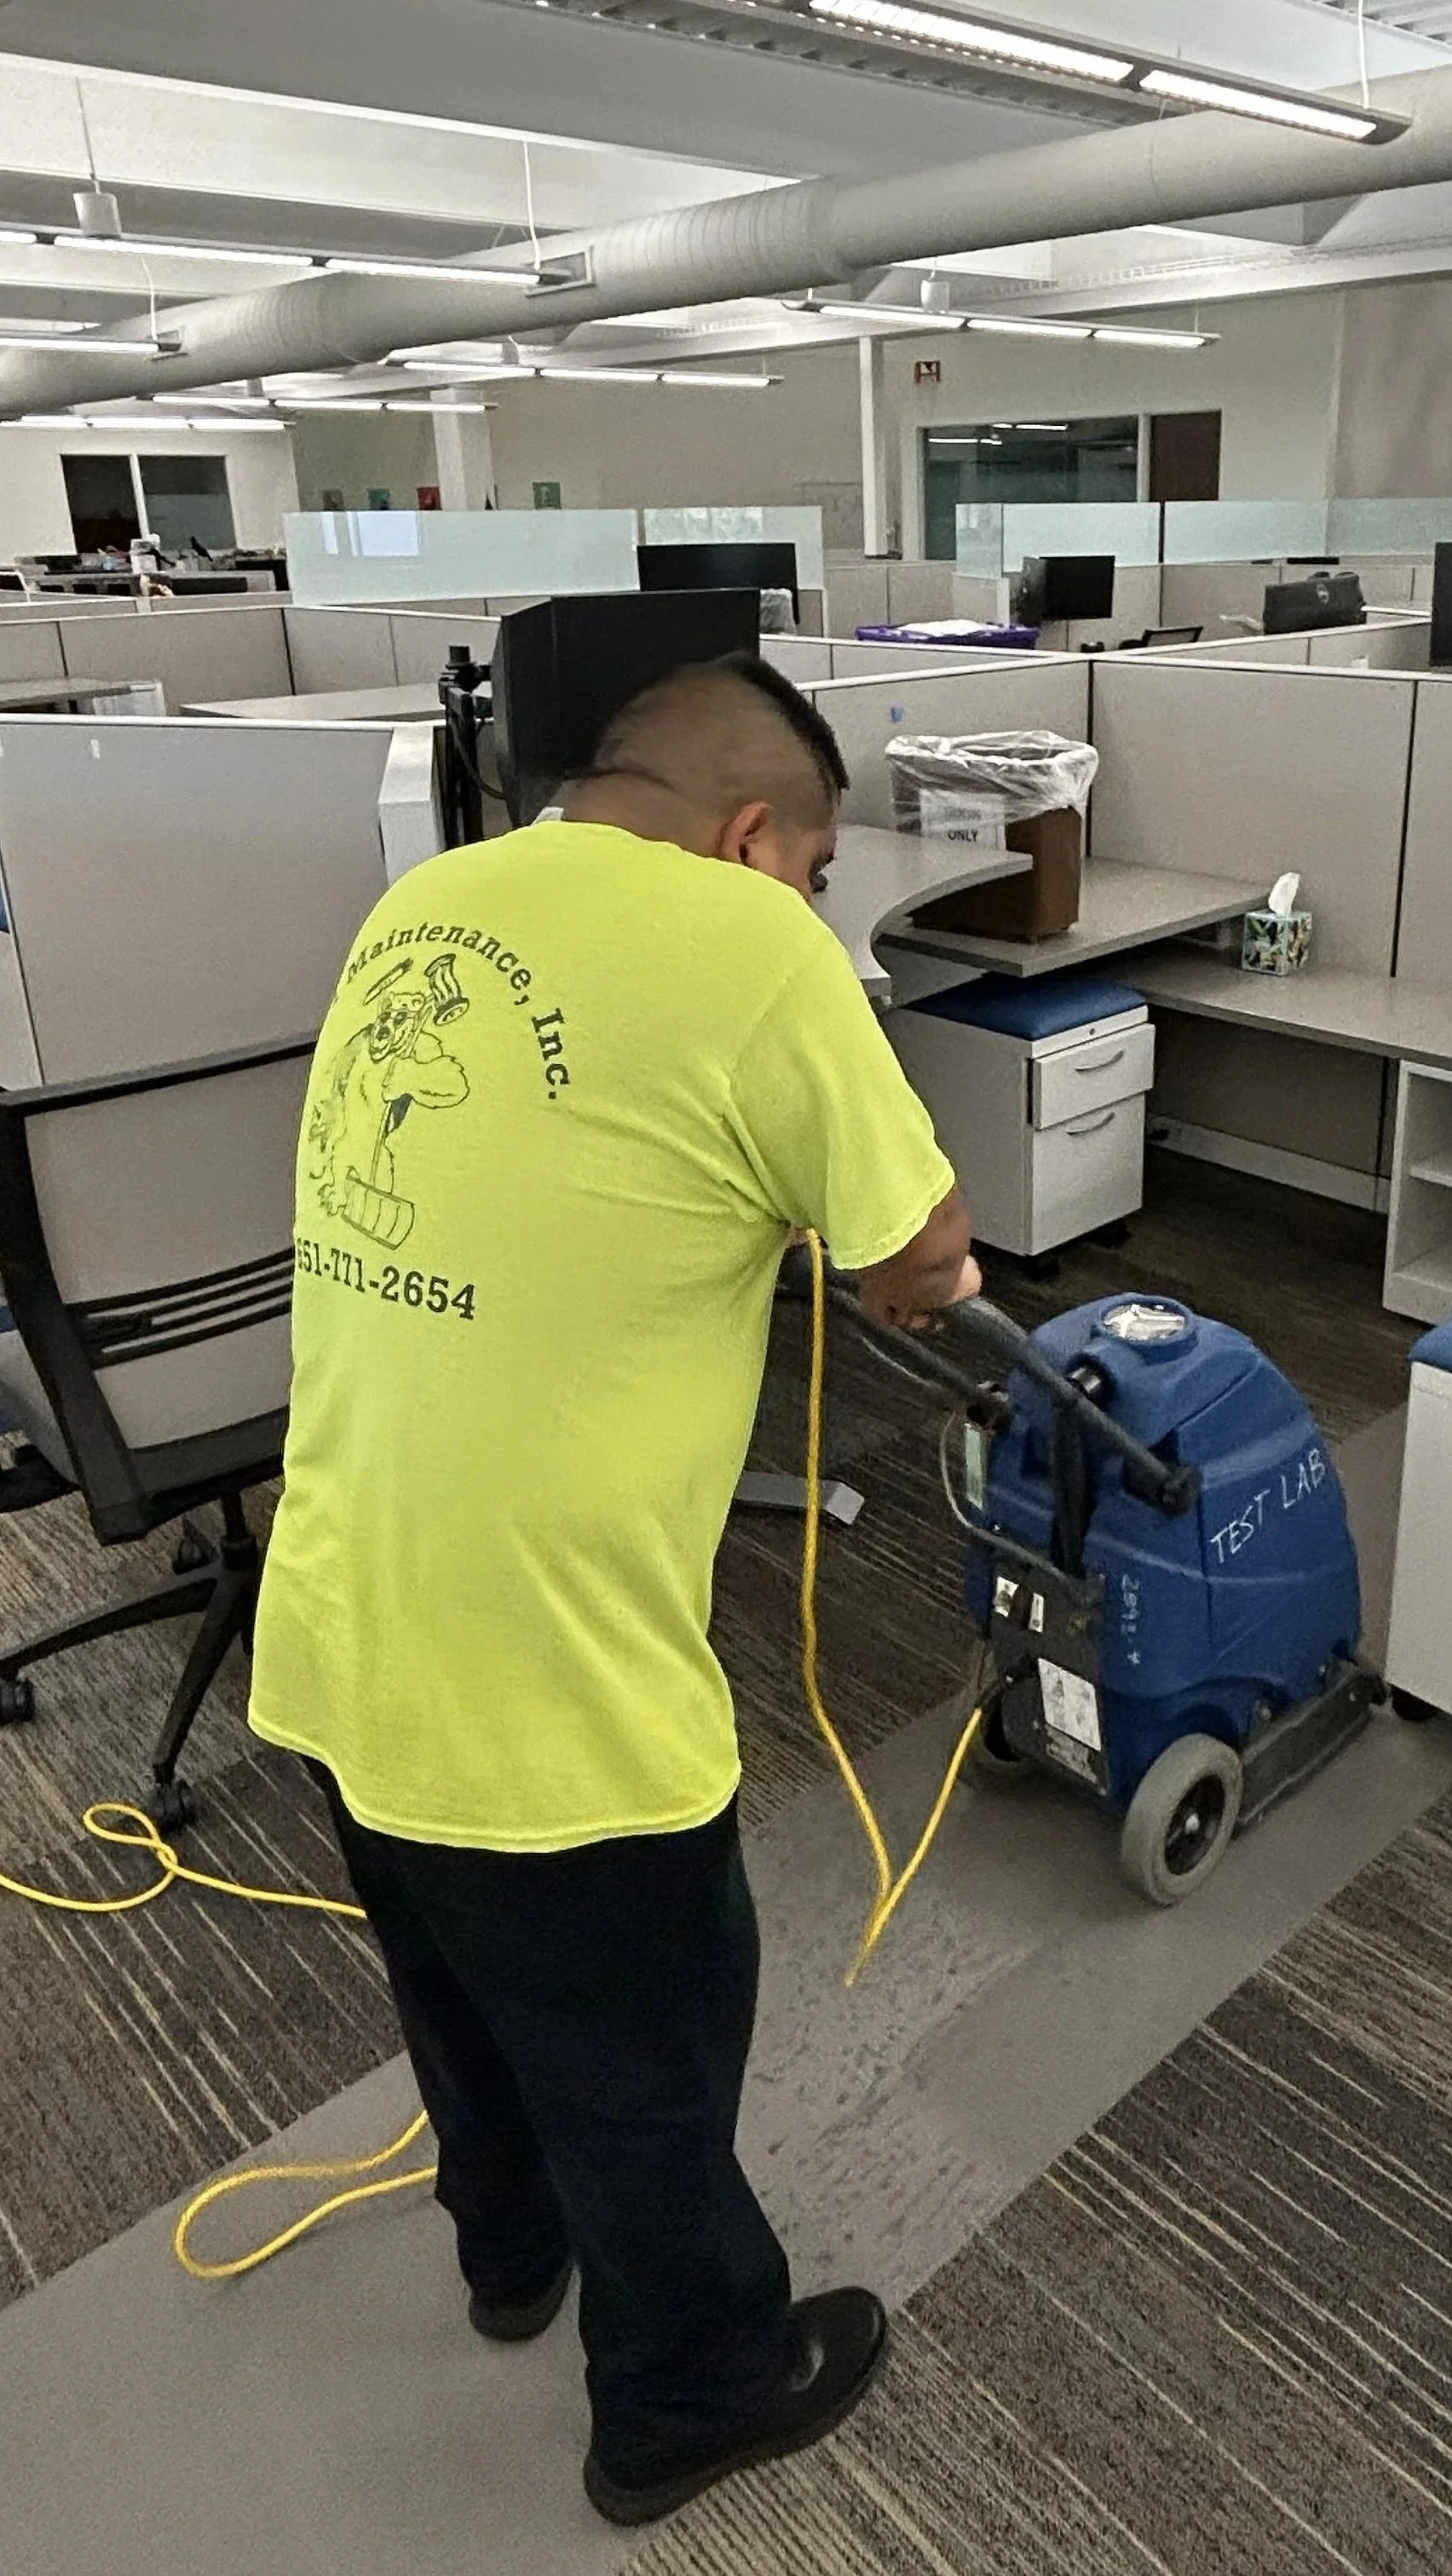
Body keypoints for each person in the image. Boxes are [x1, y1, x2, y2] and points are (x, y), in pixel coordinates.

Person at [248, 656, 978, 2527]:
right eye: (813, 874)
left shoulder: (423, 903)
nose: (814, 910)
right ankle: (687, 2391)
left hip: (339, 1618)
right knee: (652, 2036)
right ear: (756, 839)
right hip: (549, 1683)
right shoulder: (758, 950)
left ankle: (507, 2253)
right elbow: (921, 1260)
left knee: (461, 1981)